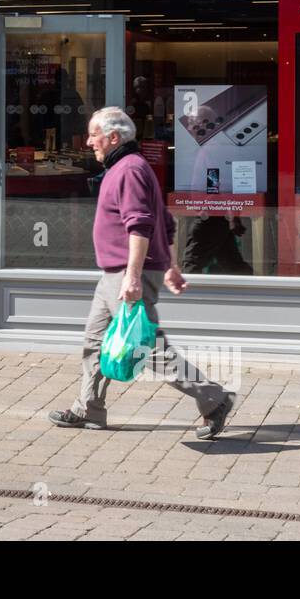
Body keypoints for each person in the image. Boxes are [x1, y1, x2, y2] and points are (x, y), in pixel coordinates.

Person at [49, 106, 236, 439]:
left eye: (94, 134)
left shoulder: (130, 170)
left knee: (145, 348)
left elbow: (141, 225)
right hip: (115, 275)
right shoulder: (128, 167)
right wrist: (171, 266)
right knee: (96, 342)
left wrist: (134, 276)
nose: (89, 142)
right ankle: (88, 409)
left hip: (126, 274)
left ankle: (214, 398)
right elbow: (165, 222)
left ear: (114, 137)